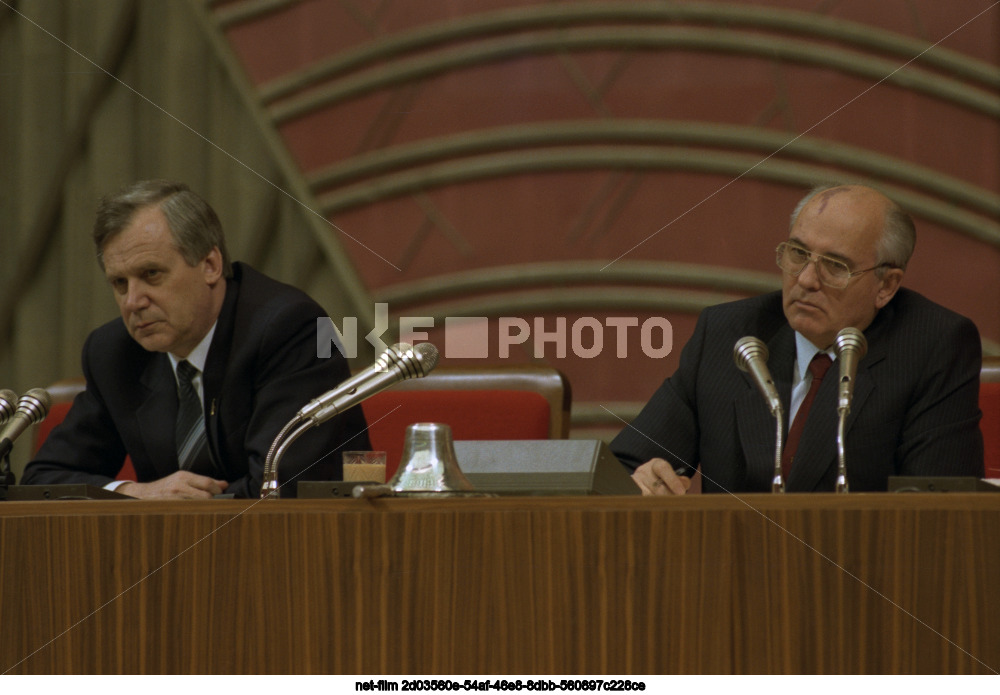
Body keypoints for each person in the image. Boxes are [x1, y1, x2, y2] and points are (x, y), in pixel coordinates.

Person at [612, 184, 984, 494]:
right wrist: (641, 481)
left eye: (835, 266)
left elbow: (939, 508)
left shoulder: (934, 345)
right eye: (798, 253)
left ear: (886, 285)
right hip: (726, 567)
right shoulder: (730, 333)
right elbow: (620, 469)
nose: (806, 279)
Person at [22, 180, 370, 499]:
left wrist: (177, 505)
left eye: (151, 274)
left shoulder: (292, 329)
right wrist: (136, 493)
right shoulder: (115, 353)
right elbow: (44, 479)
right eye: (120, 283)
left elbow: (278, 489)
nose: (133, 301)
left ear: (210, 265)